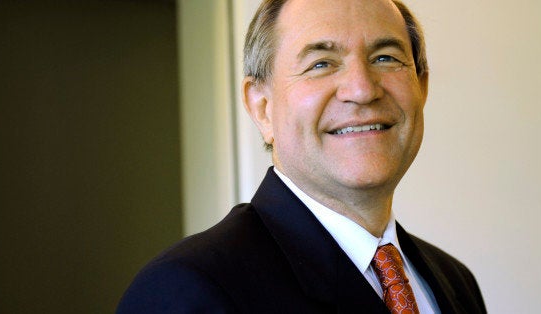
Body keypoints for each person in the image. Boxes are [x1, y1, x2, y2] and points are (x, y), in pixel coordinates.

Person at [117, 0, 486, 313]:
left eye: (386, 58)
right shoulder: (187, 290)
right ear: (262, 108)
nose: (361, 89)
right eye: (321, 63)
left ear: (421, 87)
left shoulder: (455, 284)